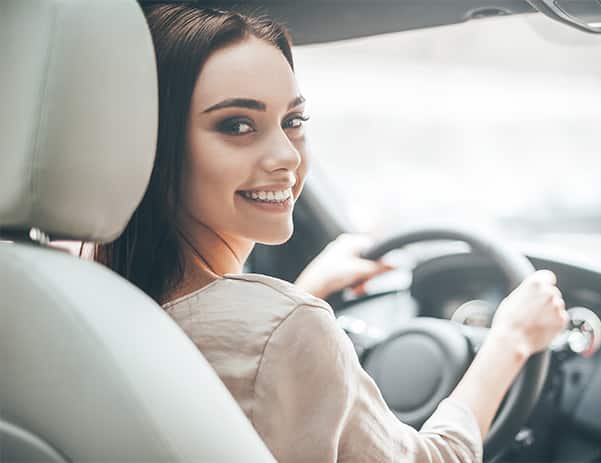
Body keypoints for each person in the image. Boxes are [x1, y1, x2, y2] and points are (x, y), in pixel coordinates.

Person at [96, 4, 568, 462]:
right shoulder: (289, 326)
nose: (287, 155)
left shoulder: (96, 299)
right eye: (237, 125)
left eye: (293, 121)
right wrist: (511, 341)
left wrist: (310, 289)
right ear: (154, 144)